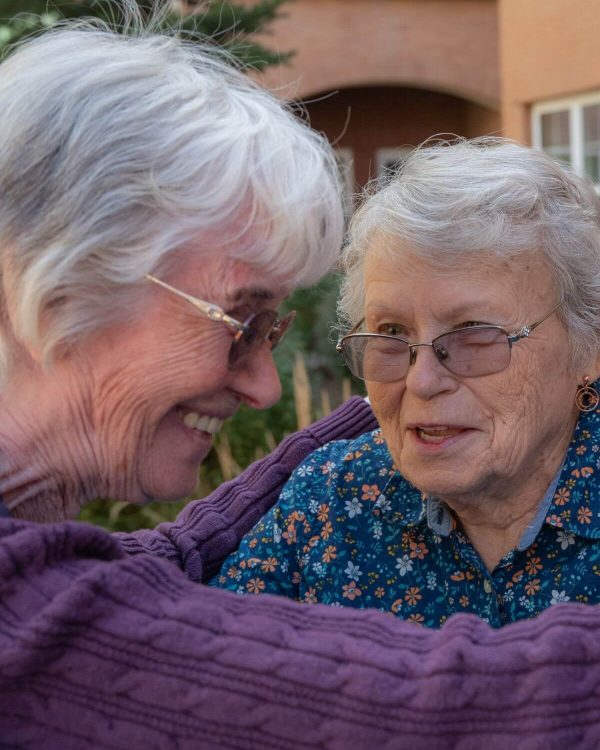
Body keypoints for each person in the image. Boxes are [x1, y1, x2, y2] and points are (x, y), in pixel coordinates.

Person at [0, 21, 600, 750]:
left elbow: (100, 591)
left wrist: (231, 507)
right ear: (55, 293)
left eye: (473, 338)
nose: (264, 387)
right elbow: (458, 712)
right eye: (241, 320)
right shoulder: (329, 504)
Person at [211, 138, 600, 629]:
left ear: (587, 348)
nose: (422, 380)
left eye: (472, 334)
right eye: (391, 333)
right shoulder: (329, 503)